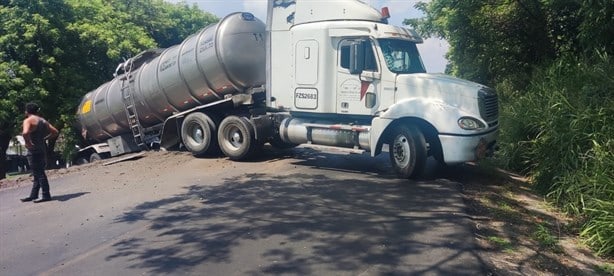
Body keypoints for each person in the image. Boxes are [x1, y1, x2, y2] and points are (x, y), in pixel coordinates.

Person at [20, 102, 58, 203]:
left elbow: (25, 132)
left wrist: (28, 142)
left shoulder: (28, 120)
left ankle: (46, 195)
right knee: (37, 172)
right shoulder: (42, 120)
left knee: (39, 173)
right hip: (41, 149)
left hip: (33, 150)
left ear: (26, 111)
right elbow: (55, 132)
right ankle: (33, 195)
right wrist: (45, 138)